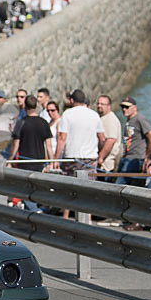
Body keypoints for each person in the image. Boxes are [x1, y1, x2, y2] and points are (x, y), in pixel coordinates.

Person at [54, 89, 107, 218]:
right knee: (87, 190)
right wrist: (100, 154)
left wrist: (55, 159)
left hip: (71, 157)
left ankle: (65, 217)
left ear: (72, 100)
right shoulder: (94, 115)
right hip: (90, 158)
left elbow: (62, 138)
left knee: (68, 189)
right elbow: (102, 138)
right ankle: (87, 218)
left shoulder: (68, 114)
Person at [116, 97, 151, 187]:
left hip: (136, 158)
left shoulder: (140, 119)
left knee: (118, 185)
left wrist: (147, 157)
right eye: (122, 107)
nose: (124, 109)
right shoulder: (129, 120)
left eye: (127, 107)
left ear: (135, 107)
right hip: (127, 157)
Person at [96, 94, 122, 179]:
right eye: (98, 103)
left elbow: (111, 140)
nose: (99, 106)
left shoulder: (110, 119)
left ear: (109, 106)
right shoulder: (103, 118)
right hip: (103, 163)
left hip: (106, 165)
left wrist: (101, 157)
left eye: (102, 104)